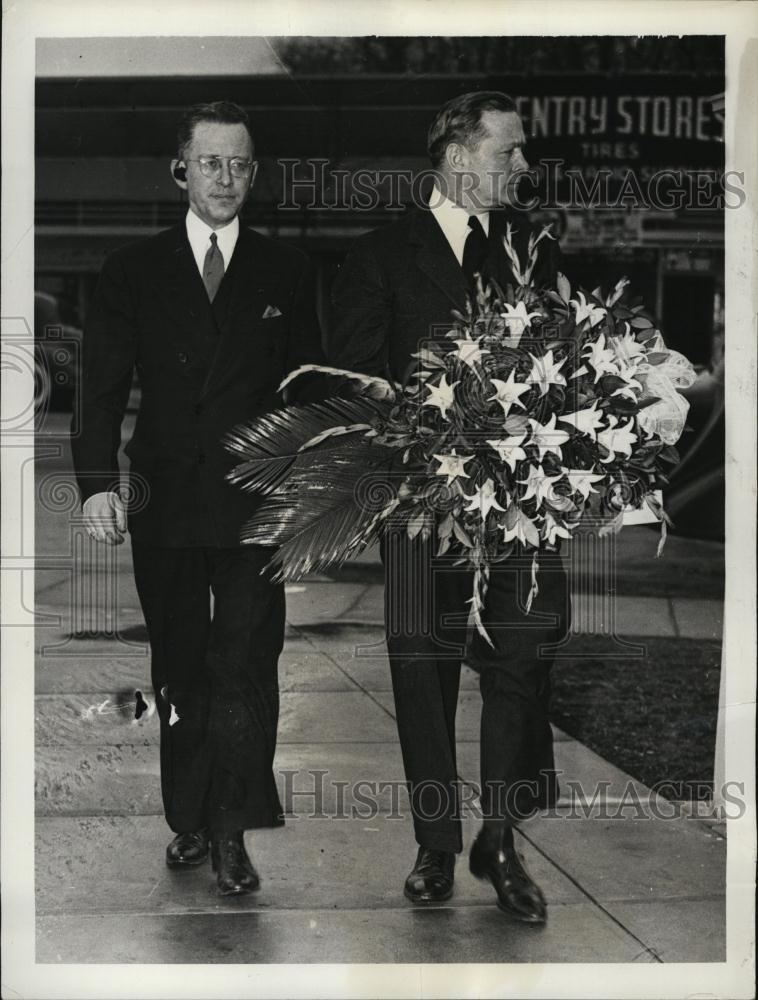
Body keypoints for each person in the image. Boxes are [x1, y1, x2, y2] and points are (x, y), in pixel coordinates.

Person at [328, 91, 570, 924]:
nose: (524, 167)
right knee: (421, 673)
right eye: (511, 151)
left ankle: (500, 837)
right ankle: (437, 843)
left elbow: (560, 369)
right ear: (460, 156)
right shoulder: (377, 258)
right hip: (419, 513)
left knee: (522, 663)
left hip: (520, 513)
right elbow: (356, 389)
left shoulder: (532, 247)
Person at [71, 101, 323, 895]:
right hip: (168, 503)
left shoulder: (288, 270)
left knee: (247, 664)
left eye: (240, 163)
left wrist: (315, 494)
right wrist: (96, 487)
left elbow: (310, 394)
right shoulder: (130, 271)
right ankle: (190, 816)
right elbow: (99, 390)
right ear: (181, 170)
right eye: (210, 162)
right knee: (181, 668)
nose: (226, 178)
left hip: (259, 507)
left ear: (255, 173)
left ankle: (230, 829)